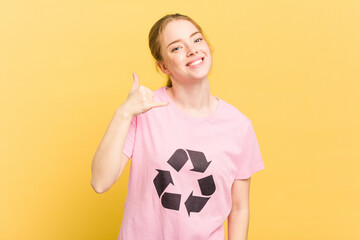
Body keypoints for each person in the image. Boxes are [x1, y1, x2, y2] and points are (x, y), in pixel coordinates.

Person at [91, 13, 265, 240]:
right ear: (163, 66)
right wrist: (124, 113)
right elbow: (100, 182)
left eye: (197, 39)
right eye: (176, 48)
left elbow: (240, 208)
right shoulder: (145, 110)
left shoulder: (239, 126)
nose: (192, 50)